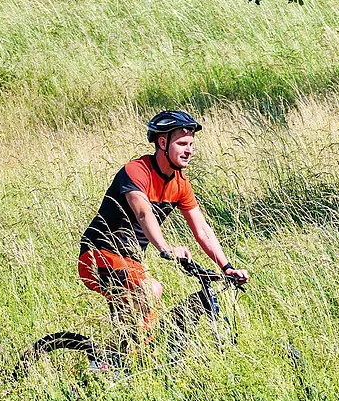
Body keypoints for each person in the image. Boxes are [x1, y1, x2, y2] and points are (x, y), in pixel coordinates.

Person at [77, 110, 248, 338]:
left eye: (191, 144)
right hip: (97, 255)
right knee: (151, 289)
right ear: (162, 142)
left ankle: (121, 357)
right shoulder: (136, 171)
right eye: (182, 144)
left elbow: (203, 230)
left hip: (131, 263)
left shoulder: (180, 184)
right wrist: (166, 249)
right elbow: (143, 214)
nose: (189, 150)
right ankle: (105, 359)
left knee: (149, 338)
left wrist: (227, 267)